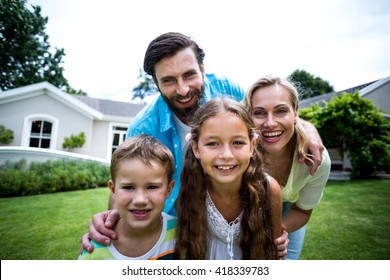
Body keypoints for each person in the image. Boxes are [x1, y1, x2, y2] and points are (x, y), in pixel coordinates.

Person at [81, 32, 323, 255]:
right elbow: (127, 175)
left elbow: (267, 116)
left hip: (255, 209)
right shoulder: (143, 127)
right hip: (189, 223)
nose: (183, 89)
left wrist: (305, 127)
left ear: (203, 68)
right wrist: (111, 220)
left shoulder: (227, 89)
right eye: (168, 80)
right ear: (155, 83)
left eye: (189, 75)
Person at [175, 97, 282, 260]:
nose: (226, 155)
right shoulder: (188, 189)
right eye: (212, 144)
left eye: (238, 142)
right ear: (196, 148)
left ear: (252, 145)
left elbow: (274, 255)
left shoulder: (269, 189)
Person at [243, 75, 331, 260]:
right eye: (259, 113)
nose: (270, 123)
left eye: (281, 111)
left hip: (291, 212)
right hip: (248, 211)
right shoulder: (240, 151)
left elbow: (302, 211)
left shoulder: (316, 158)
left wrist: (274, 233)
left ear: (296, 112)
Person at [78, 135, 177, 260]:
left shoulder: (182, 236)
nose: (140, 200)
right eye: (129, 187)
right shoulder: (94, 253)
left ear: (169, 189)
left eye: (152, 187)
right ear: (113, 189)